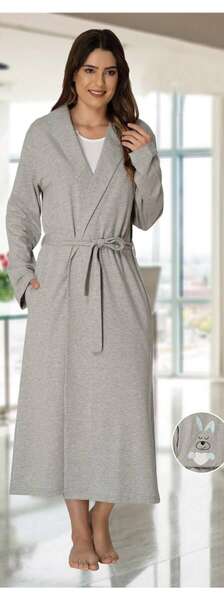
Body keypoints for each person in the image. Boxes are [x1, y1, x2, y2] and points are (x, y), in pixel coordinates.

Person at [6, 29, 163, 571]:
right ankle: (79, 526)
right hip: (60, 283)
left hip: (117, 279)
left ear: (120, 78)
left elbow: (148, 216)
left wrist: (148, 159)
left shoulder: (132, 135)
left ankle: (103, 515)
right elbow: (20, 212)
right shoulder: (43, 133)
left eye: (110, 71)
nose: (100, 81)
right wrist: (24, 277)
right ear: (73, 74)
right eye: (90, 70)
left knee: (124, 405)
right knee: (65, 405)